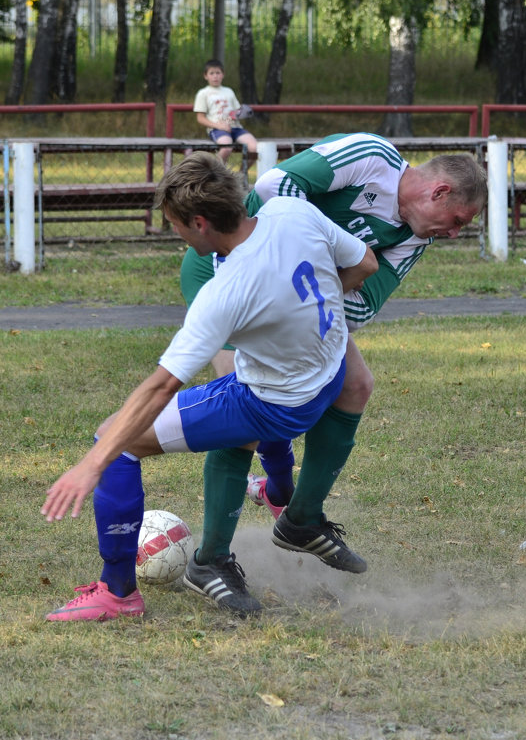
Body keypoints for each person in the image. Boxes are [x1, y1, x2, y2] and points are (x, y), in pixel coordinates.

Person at [40, 151, 378, 621]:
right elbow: (365, 263)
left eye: (174, 225)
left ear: (200, 223)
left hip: (272, 404)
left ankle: (117, 593)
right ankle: (229, 546)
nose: (172, 234)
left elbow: (160, 387)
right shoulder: (291, 210)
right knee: (230, 423)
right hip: (328, 376)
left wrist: (90, 464)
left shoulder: (227, 291)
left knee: (115, 440)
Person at [179, 133, 488, 537]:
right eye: (458, 221)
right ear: (439, 191)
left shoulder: (417, 236)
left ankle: (301, 516)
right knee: (246, 409)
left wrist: (303, 286)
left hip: (302, 306)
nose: (453, 234)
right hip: (226, 267)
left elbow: (362, 309)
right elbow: (276, 186)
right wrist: (322, 257)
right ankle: (225, 546)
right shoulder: (372, 157)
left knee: (356, 385)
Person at [193, 58, 257, 166]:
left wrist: (241, 113)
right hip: (217, 129)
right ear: (205, 76)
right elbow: (200, 118)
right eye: (212, 73)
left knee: (254, 147)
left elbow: (237, 111)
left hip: (235, 127)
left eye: (218, 73)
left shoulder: (229, 91)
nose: (215, 76)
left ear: (223, 74)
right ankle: (216, 174)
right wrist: (219, 126)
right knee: (226, 147)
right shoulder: (203, 93)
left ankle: (240, 176)